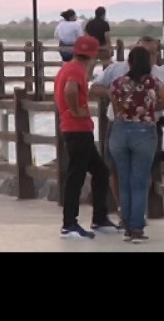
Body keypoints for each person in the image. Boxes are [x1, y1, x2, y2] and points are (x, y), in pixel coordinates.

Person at [106, 45, 164, 243]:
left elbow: (116, 110)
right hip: (144, 132)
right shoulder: (154, 83)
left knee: (124, 180)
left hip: (119, 132)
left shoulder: (116, 83)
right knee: (139, 182)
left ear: (129, 62)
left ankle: (126, 224)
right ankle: (137, 228)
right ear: (148, 63)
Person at [90, 35, 164, 227]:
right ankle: (129, 217)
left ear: (157, 54)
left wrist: (150, 105)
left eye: (152, 52)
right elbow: (96, 87)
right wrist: (118, 97)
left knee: (142, 174)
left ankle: (134, 216)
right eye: (144, 52)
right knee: (118, 173)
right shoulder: (116, 70)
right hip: (122, 127)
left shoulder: (162, 74)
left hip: (145, 126)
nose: (148, 56)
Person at [53, 35, 119, 238]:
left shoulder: (67, 67)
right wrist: (75, 110)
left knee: (100, 171)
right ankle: (69, 224)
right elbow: (70, 89)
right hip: (77, 129)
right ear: (93, 54)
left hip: (76, 129)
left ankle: (99, 218)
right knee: (76, 176)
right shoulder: (76, 71)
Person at [84, 6, 112, 76]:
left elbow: (86, 36)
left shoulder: (89, 23)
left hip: (92, 48)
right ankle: (105, 76)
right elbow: (107, 37)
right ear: (103, 14)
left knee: (91, 62)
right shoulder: (105, 24)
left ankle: (88, 77)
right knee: (106, 62)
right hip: (103, 48)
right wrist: (110, 48)